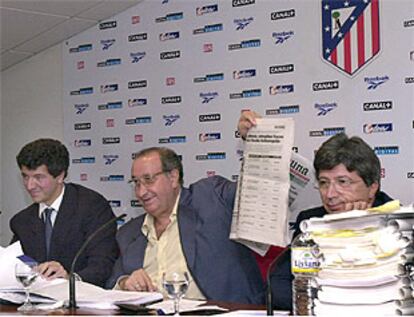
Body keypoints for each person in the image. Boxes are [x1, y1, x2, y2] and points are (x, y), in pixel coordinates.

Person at [238, 110, 393, 311]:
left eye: (342, 182)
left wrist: (357, 230)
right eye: (323, 182)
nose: (330, 194)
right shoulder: (311, 221)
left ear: (372, 187)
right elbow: (280, 288)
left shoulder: (398, 224)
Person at [106, 147, 264, 304]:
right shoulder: (129, 232)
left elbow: (258, 190)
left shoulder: (211, 199)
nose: (141, 192)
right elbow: (113, 282)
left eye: (149, 180)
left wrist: (251, 140)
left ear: (173, 177)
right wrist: (125, 282)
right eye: (136, 183)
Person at [10, 138, 119, 287]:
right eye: (25, 176)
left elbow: (103, 264)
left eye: (38, 177)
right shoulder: (21, 221)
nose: (29, 186)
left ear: (60, 176)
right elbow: (17, 260)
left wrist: (69, 278)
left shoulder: (92, 207)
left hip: (81, 302)